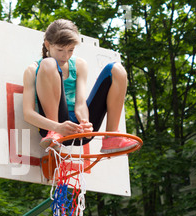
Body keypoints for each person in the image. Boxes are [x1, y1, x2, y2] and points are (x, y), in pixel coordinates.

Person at [22, 19, 139, 153]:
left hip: (77, 128)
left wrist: (85, 123)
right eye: (60, 50)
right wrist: (57, 127)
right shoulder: (33, 70)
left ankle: (111, 136)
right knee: (48, 63)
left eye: (70, 50)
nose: (65, 55)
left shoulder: (79, 65)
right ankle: (53, 134)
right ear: (48, 45)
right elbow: (28, 114)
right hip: (53, 125)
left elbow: (80, 104)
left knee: (117, 69)